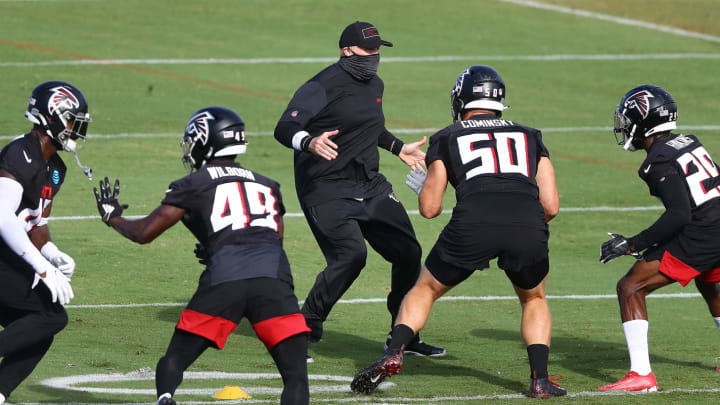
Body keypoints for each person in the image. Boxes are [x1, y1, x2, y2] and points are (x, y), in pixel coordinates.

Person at [351, 65, 567, 399]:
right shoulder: (530, 136)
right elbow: (551, 205)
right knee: (534, 298)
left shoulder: (448, 136)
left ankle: (393, 352)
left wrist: (426, 187)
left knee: (425, 289)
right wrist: (523, 227)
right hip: (527, 222)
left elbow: (430, 209)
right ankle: (539, 380)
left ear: (462, 99)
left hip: (473, 222)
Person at [94, 106, 310, 405]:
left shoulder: (193, 183)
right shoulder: (268, 185)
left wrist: (113, 217)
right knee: (296, 377)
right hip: (272, 278)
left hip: (225, 278)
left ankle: (166, 396)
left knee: (176, 358)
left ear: (206, 140)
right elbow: (274, 239)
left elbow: (144, 233)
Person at [273, 20, 444, 359]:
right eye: (369, 50)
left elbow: (370, 127)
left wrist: (398, 147)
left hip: (370, 185)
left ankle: (403, 335)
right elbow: (284, 127)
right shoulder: (321, 85)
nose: (375, 56)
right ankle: (304, 328)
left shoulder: (374, 83)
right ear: (347, 51)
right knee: (350, 256)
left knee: (409, 253)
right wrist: (308, 141)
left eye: (378, 50)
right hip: (325, 187)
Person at [597, 85, 720, 392]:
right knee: (710, 280)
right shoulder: (688, 140)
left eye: (629, 120)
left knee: (630, 286)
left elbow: (679, 215)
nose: (625, 127)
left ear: (643, 121)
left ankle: (641, 375)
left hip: (704, 232)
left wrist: (633, 243)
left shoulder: (657, 162)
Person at [0, 81, 92, 404]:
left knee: (42, 327)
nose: (75, 129)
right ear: (51, 116)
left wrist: (51, 253)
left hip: (9, 255)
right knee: (51, 317)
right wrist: (40, 268)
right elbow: (1, 216)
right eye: (70, 120)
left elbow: (36, 222)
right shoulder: (20, 153)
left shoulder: (55, 168)